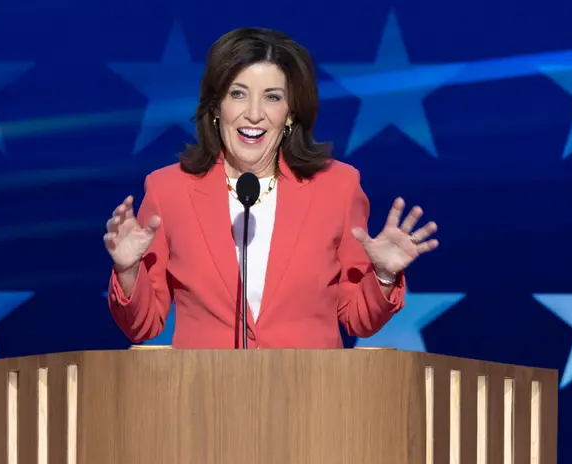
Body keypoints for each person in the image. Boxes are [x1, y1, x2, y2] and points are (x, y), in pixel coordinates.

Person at [104, 27, 439, 349]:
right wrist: (128, 270)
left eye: (272, 97)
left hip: (315, 394)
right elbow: (142, 325)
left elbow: (359, 321)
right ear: (217, 107)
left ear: (290, 113)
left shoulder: (337, 187)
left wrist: (382, 276)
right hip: (206, 397)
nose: (253, 114)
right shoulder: (169, 190)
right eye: (238, 94)